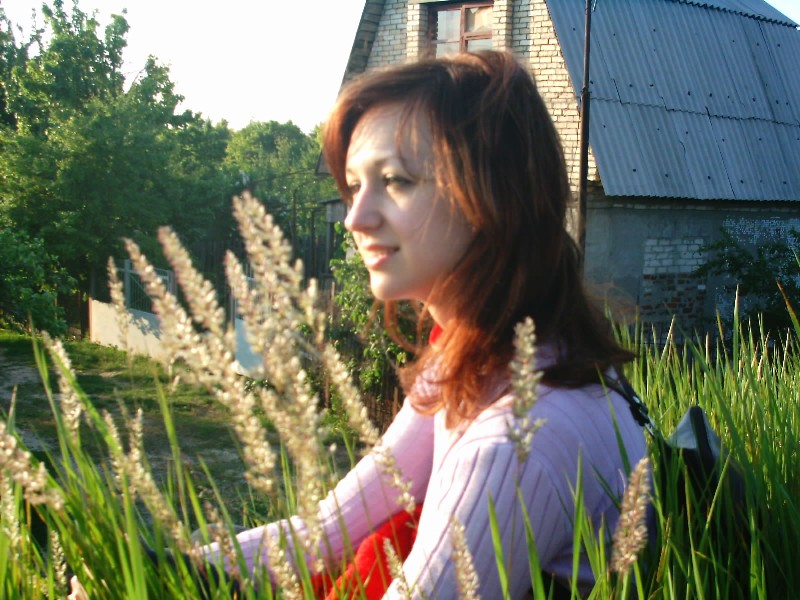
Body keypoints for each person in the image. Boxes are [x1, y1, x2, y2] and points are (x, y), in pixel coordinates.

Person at [204, 50, 647, 599]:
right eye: (354, 185)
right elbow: (334, 528)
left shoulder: (515, 441)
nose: (355, 217)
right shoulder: (482, 356)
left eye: (394, 180)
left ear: (493, 196)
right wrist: (180, 569)